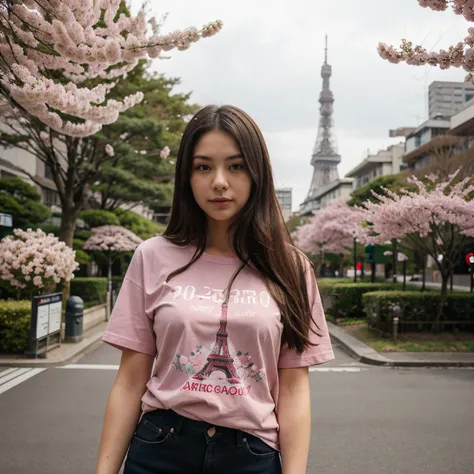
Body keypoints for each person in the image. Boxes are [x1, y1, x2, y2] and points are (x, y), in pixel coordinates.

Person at [94, 104, 335, 474]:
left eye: (236, 166)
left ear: (257, 175)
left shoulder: (291, 267)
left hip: (251, 454)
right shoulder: (153, 256)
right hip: (161, 446)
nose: (219, 181)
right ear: (187, 177)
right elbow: (130, 380)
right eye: (203, 166)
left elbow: (293, 388)